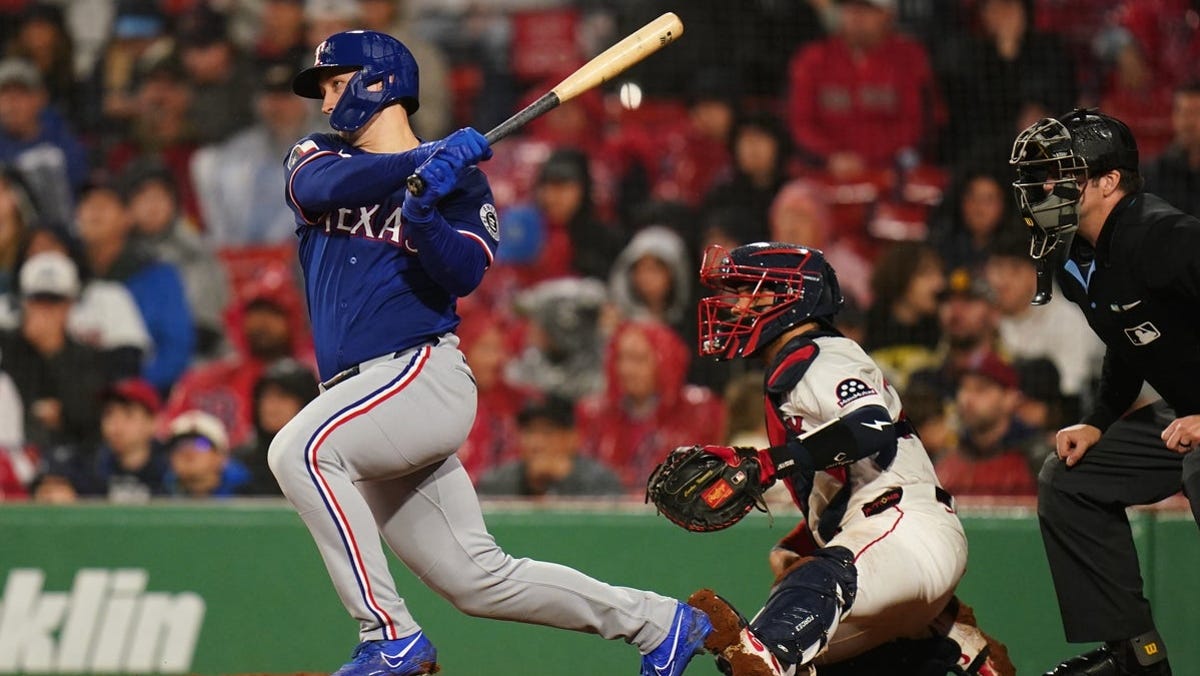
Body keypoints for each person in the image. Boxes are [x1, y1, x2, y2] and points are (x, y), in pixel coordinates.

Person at [271, 30, 711, 676]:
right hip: (360, 399)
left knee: (301, 451)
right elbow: (317, 191)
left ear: (379, 82)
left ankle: (389, 634)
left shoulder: (461, 185)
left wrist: (423, 211)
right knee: (478, 578)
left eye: (337, 82)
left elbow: (463, 275)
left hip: (419, 376)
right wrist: (418, 168)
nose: (328, 99)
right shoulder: (319, 155)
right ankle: (659, 623)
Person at [675, 242, 1007, 675]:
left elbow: (870, 428)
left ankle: (942, 635)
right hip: (889, 542)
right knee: (786, 661)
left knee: (761, 656)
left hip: (903, 527)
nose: (735, 303)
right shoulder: (798, 365)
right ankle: (946, 646)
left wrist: (767, 464)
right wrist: (798, 542)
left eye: (749, 290)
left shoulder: (818, 354)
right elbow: (849, 473)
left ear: (792, 299)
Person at [1010, 108, 1200, 675]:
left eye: (1060, 174)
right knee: (1070, 479)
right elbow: (1128, 339)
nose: (1045, 188)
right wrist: (1099, 419)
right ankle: (1134, 656)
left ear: (1108, 181)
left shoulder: (1165, 237)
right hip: (1184, 411)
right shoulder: (1073, 254)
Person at [477, 395, 625, 498]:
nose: (536, 443)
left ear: (572, 439)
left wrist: (568, 480)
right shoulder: (496, 484)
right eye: (529, 432)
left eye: (547, 433)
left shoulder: (600, 482)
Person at [164, 409, 251, 498]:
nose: (189, 452)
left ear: (220, 455)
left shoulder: (248, 495)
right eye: (180, 445)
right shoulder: (159, 496)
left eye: (201, 444)